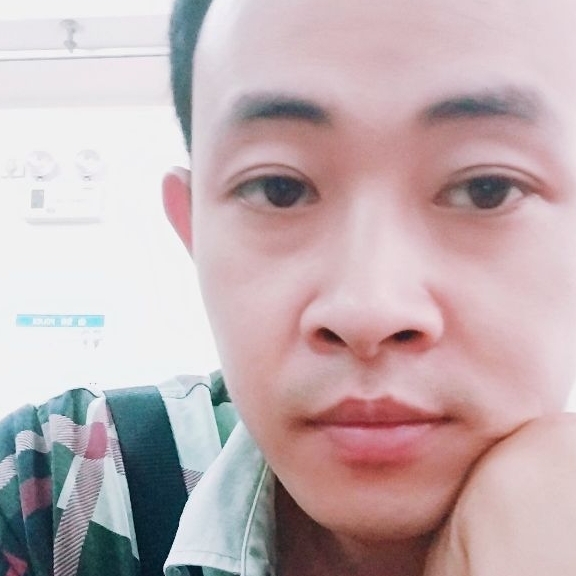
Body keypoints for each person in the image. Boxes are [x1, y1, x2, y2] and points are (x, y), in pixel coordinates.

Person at [3, 0, 576, 574]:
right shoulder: (56, 493)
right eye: (279, 188)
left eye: (487, 188)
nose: (368, 311)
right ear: (193, 229)